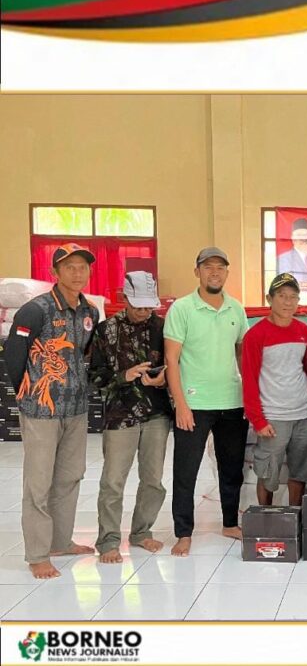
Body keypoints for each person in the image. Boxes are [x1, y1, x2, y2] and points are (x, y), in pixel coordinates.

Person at [3, 243, 100, 579]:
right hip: (41, 410)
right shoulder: (35, 310)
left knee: (70, 476)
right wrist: (26, 392)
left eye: (82, 267)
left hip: (76, 408)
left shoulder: (89, 312)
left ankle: (60, 541)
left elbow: (84, 353)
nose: (77, 273)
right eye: (69, 267)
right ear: (54, 272)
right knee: (39, 483)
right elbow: (14, 354)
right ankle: (37, 554)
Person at [164, 247, 249, 556]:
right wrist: (181, 405)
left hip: (231, 402)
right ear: (197, 271)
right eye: (208, 267)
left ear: (226, 272)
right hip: (194, 404)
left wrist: (248, 395)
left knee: (232, 468)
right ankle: (183, 532)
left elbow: (243, 353)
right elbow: (171, 360)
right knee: (186, 472)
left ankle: (230, 523)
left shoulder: (236, 309)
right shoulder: (182, 309)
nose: (215, 272)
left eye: (220, 267)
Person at [89, 271, 171, 564]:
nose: (144, 312)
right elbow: (95, 376)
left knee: (153, 479)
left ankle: (141, 532)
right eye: (138, 306)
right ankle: (108, 540)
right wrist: (125, 376)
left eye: (149, 307)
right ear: (124, 298)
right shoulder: (105, 330)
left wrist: (163, 379)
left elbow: (176, 364)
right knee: (113, 481)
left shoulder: (162, 327)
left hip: (156, 413)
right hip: (119, 415)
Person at [242, 272, 307, 506]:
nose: (288, 302)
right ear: (270, 299)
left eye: (293, 297)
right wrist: (258, 420)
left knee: (301, 470)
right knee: (268, 472)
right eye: (282, 296)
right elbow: (249, 380)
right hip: (273, 417)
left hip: (302, 413)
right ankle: (266, 517)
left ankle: (294, 516)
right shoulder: (255, 335)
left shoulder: (303, 331)